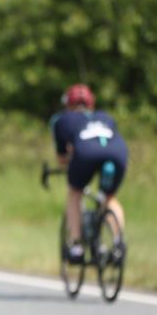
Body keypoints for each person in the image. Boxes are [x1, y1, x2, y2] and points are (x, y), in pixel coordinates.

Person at [49, 83, 128, 264]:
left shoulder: (62, 120)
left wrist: (71, 160)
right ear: (91, 103)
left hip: (85, 153)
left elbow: (62, 159)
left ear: (68, 104)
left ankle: (76, 246)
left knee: (75, 192)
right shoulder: (106, 117)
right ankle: (117, 244)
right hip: (119, 153)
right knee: (109, 197)